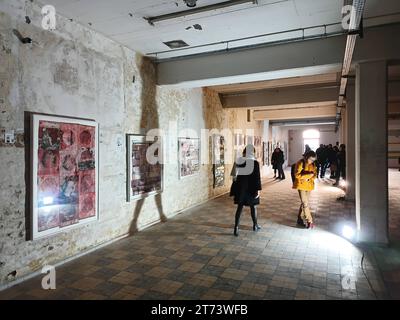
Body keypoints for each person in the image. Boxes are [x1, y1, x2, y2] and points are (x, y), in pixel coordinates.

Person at [230, 145, 262, 236]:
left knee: (239, 208)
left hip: (241, 188)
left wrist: (235, 188)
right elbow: (257, 178)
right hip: (252, 189)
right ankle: (255, 225)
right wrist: (258, 190)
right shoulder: (255, 163)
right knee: (253, 207)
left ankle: (236, 227)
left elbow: (233, 176)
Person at [293, 150, 317, 229]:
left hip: (309, 186)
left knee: (304, 203)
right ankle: (310, 220)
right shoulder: (300, 163)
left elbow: (315, 175)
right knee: (305, 203)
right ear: (306, 157)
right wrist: (308, 175)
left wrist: (311, 176)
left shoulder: (313, 164)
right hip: (301, 186)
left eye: (313, 160)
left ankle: (299, 219)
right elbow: (297, 175)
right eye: (310, 159)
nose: (311, 161)